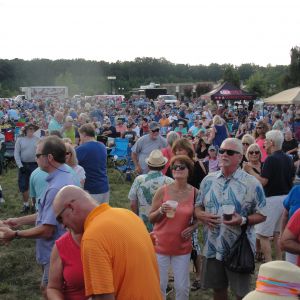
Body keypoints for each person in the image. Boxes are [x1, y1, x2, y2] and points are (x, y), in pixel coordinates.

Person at [0, 136, 78, 298]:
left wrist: (15, 234)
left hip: (54, 251)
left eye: (37, 155)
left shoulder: (56, 187)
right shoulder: (62, 175)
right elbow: (48, 214)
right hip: (59, 248)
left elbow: (47, 230)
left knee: (50, 290)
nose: (34, 158)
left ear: (48, 157)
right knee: (47, 288)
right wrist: (17, 221)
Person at [52, 185, 162, 299]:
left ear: (71, 207)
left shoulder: (92, 237)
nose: (63, 225)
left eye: (60, 218)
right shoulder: (128, 215)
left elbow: (104, 297)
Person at [195, 137, 267, 300]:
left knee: (242, 293)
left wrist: (242, 220)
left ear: (240, 157)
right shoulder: (208, 180)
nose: (223, 154)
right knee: (218, 289)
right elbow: (197, 206)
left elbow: (262, 214)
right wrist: (200, 214)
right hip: (212, 245)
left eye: (230, 152)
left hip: (239, 248)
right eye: (221, 151)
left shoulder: (252, 184)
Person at [149, 155, 198, 300]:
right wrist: (160, 211)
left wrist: (193, 227)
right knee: (159, 285)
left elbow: (197, 219)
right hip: (160, 244)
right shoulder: (162, 191)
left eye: (181, 167)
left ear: (188, 171)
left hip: (181, 246)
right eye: (174, 167)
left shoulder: (195, 193)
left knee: (182, 288)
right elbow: (151, 217)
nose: (177, 169)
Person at [249, 130, 295, 262]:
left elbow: (263, 182)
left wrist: (250, 171)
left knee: (263, 234)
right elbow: (291, 179)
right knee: (277, 234)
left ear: (272, 143)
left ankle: (269, 263)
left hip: (271, 200)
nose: (264, 144)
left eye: (267, 141)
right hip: (285, 198)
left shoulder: (270, 159)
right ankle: (279, 261)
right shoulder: (288, 158)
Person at [128, 149, 174, 232]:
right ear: (163, 166)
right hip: (163, 224)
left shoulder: (139, 180)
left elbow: (132, 204)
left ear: (148, 165)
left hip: (143, 223)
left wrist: (137, 218)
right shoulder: (170, 181)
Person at [47, 230, 88, 300]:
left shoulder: (108, 237)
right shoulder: (61, 245)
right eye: (60, 220)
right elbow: (53, 288)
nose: (63, 225)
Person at [76, 123, 109, 203]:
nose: (80, 138)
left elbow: (72, 167)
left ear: (84, 134)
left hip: (91, 189)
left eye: (80, 135)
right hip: (104, 186)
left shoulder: (81, 149)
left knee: (91, 215)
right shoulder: (102, 146)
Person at [14, 123, 40, 213]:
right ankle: (26, 205)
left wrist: (39, 164)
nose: (31, 131)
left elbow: (40, 152)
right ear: (26, 130)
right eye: (29, 129)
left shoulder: (37, 140)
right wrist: (20, 166)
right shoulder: (20, 140)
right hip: (23, 165)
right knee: (23, 185)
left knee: (35, 186)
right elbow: (16, 153)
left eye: (32, 129)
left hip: (35, 165)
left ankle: (34, 205)